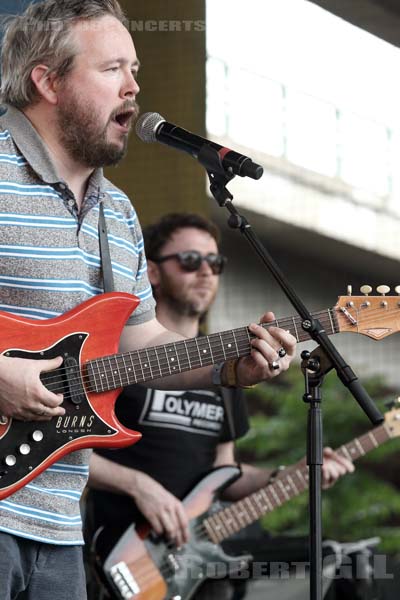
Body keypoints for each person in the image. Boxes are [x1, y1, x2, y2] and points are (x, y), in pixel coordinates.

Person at [0, 2, 298, 599]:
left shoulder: (118, 212)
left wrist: (230, 364)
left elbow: (140, 339)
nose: (135, 86)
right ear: (47, 80)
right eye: (113, 68)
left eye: (135, 68)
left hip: (59, 520)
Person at [85, 212, 355, 600]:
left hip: (185, 565)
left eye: (215, 262)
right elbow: (63, 450)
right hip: (115, 549)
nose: (206, 272)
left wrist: (292, 474)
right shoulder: (120, 358)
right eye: (190, 261)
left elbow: (223, 475)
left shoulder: (228, 370)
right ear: (152, 273)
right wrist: (139, 485)